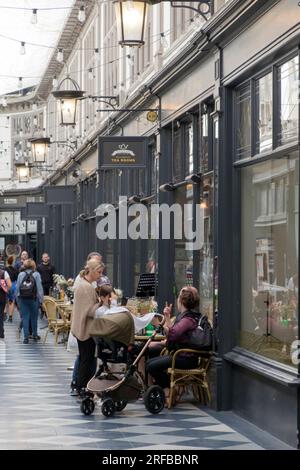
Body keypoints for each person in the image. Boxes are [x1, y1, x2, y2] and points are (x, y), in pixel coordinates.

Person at [146, 286, 201, 404]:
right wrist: (167, 317)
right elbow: (174, 333)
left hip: (185, 358)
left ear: (181, 301)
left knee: (151, 366)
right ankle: (168, 389)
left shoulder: (188, 319)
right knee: (150, 363)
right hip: (182, 355)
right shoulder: (187, 317)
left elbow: (174, 334)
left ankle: (169, 390)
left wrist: (158, 324)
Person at [71, 259, 102, 395]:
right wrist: (101, 303)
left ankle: (82, 386)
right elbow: (89, 310)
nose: (100, 275)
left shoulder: (84, 284)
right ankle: (82, 387)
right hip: (85, 329)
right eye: (99, 272)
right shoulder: (86, 287)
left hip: (82, 327)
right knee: (86, 358)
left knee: (86, 357)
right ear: (92, 271)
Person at [16, 259, 44, 344]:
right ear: (33, 266)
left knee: (25, 317)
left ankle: (26, 338)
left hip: (23, 299)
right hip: (33, 299)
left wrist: (18, 300)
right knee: (34, 318)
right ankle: (35, 335)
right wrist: (41, 300)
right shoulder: (36, 274)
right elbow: (39, 289)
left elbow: (17, 288)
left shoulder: (21, 274)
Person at [5, 256, 19, 322]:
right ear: (13, 262)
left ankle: (4, 314)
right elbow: (17, 279)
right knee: (11, 301)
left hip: (5, 285)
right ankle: (10, 317)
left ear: (7, 262)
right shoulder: (15, 269)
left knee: (5, 300)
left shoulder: (4, 269)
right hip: (13, 285)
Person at [0, 267, 12, 339]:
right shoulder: (4, 273)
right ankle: (1, 333)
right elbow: (10, 285)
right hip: (1, 296)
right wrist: (5, 289)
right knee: (0, 314)